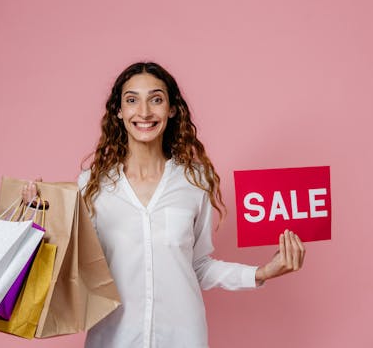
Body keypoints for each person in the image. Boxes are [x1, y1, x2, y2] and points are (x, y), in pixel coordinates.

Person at [22, 62, 305, 348]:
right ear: (118, 111)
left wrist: (261, 273)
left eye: (155, 99)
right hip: (113, 339)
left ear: (171, 109)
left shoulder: (196, 181)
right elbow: (74, 266)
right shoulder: (91, 185)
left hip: (183, 339)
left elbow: (199, 266)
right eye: (132, 100)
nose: (144, 112)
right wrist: (40, 220)